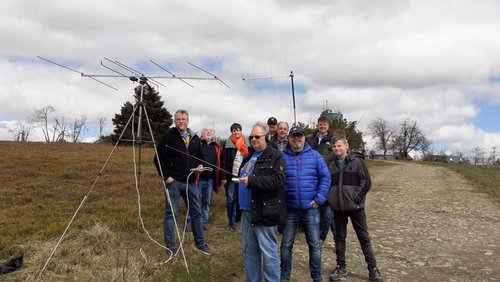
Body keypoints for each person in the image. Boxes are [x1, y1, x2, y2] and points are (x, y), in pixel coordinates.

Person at [154, 109, 214, 256]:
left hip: (191, 182)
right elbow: (157, 159)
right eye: (178, 119)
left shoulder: (194, 138)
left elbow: (200, 157)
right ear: (175, 121)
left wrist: (200, 167)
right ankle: (171, 247)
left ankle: (200, 244)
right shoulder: (168, 137)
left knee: (197, 213)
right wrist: (166, 177)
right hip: (173, 182)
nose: (181, 121)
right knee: (171, 214)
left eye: (184, 119)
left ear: (188, 121)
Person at [327, 132, 383, 281]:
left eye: (339, 145)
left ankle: (373, 268)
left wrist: (356, 198)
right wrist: (331, 201)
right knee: (339, 238)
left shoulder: (357, 162)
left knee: (364, 238)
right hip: (338, 209)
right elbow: (327, 185)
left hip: (356, 208)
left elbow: (366, 182)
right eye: (334, 146)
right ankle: (341, 266)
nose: (337, 149)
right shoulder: (331, 166)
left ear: (346, 146)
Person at [280, 126, 331, 282]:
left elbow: (326, 178)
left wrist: (319, 199)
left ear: (304, 138)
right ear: (288, 138)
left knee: (314, 245)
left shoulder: (315, 156)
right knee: (286, 245)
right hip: (289, 209)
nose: (297, 139)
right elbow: (277, 180)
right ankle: (284, 276)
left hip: (311, 209)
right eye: (294, 136)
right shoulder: (281, 157)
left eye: (299, 136)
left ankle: (317, 277)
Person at [238, 122, 286, 282]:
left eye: (257, 136)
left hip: (264, 211)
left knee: (268, 251)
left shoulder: (275, 155)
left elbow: (277, 180)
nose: (253, 139)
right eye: (251, 136)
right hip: (246, 211)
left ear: (265, 137)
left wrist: (252, 181)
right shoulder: (249, 156)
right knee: (249, 251)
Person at [306, 116, 335, 247]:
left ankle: (325, 237)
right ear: (317, 125)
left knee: (328, 212)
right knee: (314, 208)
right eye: (320, 124)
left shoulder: (332, 140)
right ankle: (315, 235)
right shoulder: (310, 139)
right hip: (311, 177)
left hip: (326, 178)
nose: (322, 126)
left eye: (324, 124)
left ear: (328, 126)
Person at [186, 125, 222, 232]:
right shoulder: (198, 144)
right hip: (197, 178)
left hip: (210, 180)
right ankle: (190, 223)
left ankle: (204, 222)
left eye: (210, 131)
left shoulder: (217, 146)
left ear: (213, 133)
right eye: (206, 130)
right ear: (202, 133)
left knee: (207, 202)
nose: (208, 132)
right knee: (194, 200)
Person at [221, 123, 249, 232]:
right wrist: (223, 176)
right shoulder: (227, 144)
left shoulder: (247, 144)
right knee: (230, 198)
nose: (236, 132)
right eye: (234, 130)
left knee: (239, 199)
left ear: (241, 131)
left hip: (243, 177)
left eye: (238, 130)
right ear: (231, 132)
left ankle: (238, 221)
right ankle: (231, 221)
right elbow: (223, 161)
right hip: (230, 176)